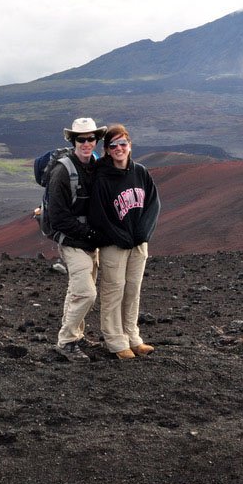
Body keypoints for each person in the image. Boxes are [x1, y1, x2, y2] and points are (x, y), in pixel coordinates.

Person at [88, 124, 161, 360]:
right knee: (113, 290)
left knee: (132, 289)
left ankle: (132, 337)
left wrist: (143, 233)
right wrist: (118, 235)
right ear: (107, 150)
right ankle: (115, 341)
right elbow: (99, 214)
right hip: (113, 245)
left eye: (123, 143)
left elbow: (153, 204)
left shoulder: (140, 172)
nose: (119, 148)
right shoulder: (102, 178)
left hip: (138, 244)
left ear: (130, 145)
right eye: (113, 145)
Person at [48, 117, 106, 362]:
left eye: (91, 138)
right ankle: (67, 340)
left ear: (96, 140)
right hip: (72, 241)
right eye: (81, 139)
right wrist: (89, 234)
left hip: (90, 242)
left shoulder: (94, 165)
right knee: (86, 293)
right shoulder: (63, 171)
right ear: (73, 140)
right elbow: (58, 216)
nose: (86, 143)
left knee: (77, 290)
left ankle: (76, 336)